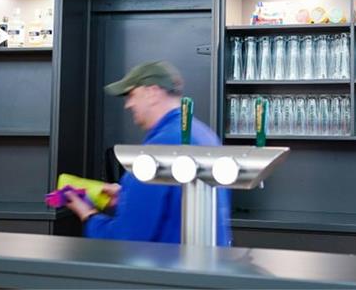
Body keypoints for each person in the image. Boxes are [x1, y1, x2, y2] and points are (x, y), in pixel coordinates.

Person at [64, 61, 232, 246]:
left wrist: (88, 215)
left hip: (170, 270)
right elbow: (173, 207)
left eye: (131, 95)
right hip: (207, 265)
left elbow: (127, 238)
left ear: (152, 92)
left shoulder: (159, 149)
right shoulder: (203, 134)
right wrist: (127, 196)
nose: (128, 105)